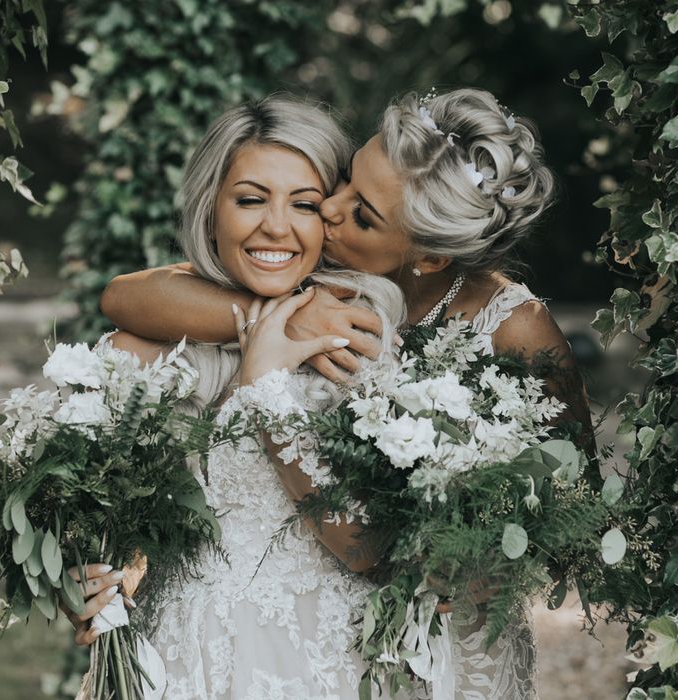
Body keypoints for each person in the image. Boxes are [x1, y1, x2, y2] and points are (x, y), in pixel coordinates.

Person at [82, 88, 595, 698]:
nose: (327, 209)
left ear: (427, 254)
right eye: (345, 180)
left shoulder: (508, 327)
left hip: (438, 641)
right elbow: (124, 297)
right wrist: (278, 318)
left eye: (361, 214)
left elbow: (570, 501)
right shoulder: (309, 283)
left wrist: (478, 547)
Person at [66, 94, 409, 699]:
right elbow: (121, 300)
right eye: (250, 200)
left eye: (303, 205)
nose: (275, 226)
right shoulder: (153, 352)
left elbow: (372, 546)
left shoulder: (353, 343)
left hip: (318, 662)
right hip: (179, 662)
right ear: (212, 210)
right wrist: (92, 572)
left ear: (329, 217)